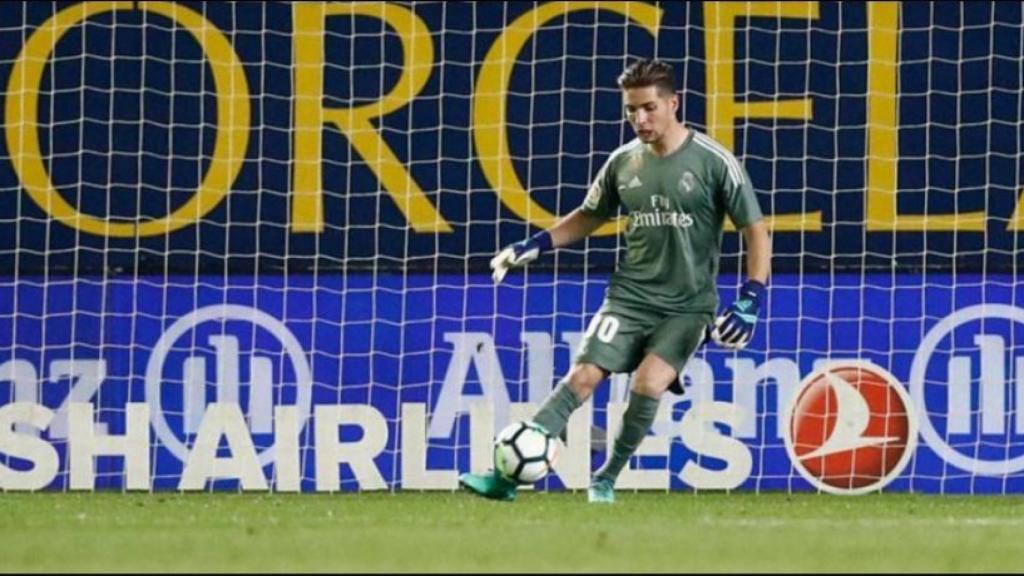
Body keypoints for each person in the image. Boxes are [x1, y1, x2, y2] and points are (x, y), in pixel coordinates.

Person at [459, 58, 772, 503]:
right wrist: (537, 244)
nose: (639, 120)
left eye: (648, 108)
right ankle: (504, 479)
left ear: (673, 103)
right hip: (629, 297)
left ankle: (605, 478)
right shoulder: (623, 163)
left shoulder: (714, 161)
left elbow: (755, 231)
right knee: (583, 374)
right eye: (630, 111)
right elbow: (590, 216)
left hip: (688, 305)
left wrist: (750, 297)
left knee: (649, 383)